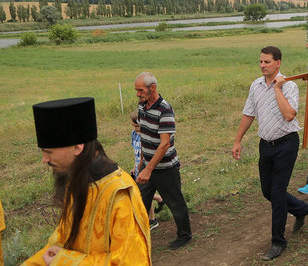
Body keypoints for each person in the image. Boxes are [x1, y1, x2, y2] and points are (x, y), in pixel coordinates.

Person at [25, 97, 151, 265]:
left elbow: (132, 261)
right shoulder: (76, 182)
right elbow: (57, 246)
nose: (44, 159)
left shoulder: (118, 195)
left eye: (49, 152)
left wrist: (65, 261)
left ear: (77, 147)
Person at [231, 46, 308, 261]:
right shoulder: (255, 86)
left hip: (286, 144)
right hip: (265, 145)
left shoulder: (290, 86)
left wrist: (278, 89)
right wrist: (238, 140)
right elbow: (248, 114)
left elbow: (289, 115)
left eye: (267, 62)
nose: (262, 66)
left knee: (277, 193)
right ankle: (301, 208)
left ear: (278, 63)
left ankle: (278, 242)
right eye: (260, 62)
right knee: (267, 191)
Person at [134, 72, 192, 250]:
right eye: (136, 90)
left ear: (153, 88)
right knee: (138, 202)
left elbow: (165, 144)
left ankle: (184, 235)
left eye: (140, 90)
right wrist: (141, 164)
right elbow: (144, 137)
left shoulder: (165, 109)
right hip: (147, 166)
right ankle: (136, 238)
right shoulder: (142, 106)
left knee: (176, 202)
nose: (138, 94)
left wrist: (148, 170)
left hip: (166, 167)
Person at [129, 110, 164, 230]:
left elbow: (146, 153)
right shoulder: (134, 134)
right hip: (138, 168)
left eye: (137, 126)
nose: (135, 128)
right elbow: (137, 153)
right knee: (139, 193)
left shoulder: (147, 136)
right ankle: (159, 199)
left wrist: (140, 167)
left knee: (141, 194)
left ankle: (152, 220)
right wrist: (135, 166)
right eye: (133, 126)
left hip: (145, 168)